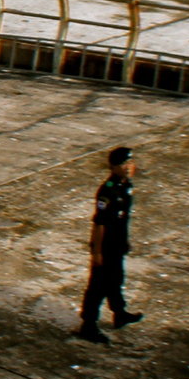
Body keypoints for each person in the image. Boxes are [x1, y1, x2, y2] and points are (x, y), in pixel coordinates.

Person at [74, 146, 144, 343]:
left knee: (116, 280)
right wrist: (96, 253)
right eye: (124, 164)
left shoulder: (125, 185)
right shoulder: (108, 191)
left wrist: (125, 241)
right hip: (105, 247)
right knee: (98, 286)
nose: (129, 167)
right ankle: (88, 325)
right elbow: (99, 223)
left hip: (117, 244)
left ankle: (119, 314)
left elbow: (123, 219)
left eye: (130, 162)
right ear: (113, 167)